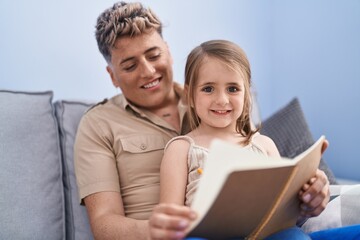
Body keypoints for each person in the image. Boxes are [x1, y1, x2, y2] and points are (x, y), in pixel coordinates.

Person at [73, 1, 342, 239]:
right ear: (112, 75)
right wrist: (152, 231)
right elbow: (104, 224)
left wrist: (306, 202)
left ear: (168, 50)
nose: (148, 71)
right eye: (130, 65)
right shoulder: (99, 123)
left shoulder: (218, 104)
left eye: (154, 55)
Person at [159, 39, 319, 239]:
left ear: (246, 95)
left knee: (294, 236)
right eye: (208, 88)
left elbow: (286, 212)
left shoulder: (264, 145)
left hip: (265, 235)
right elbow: (169, 224)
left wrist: (306, 197)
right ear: (190, 95)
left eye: (233, 89)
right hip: (209, 236)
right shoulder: (181, 149)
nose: (222, 100)